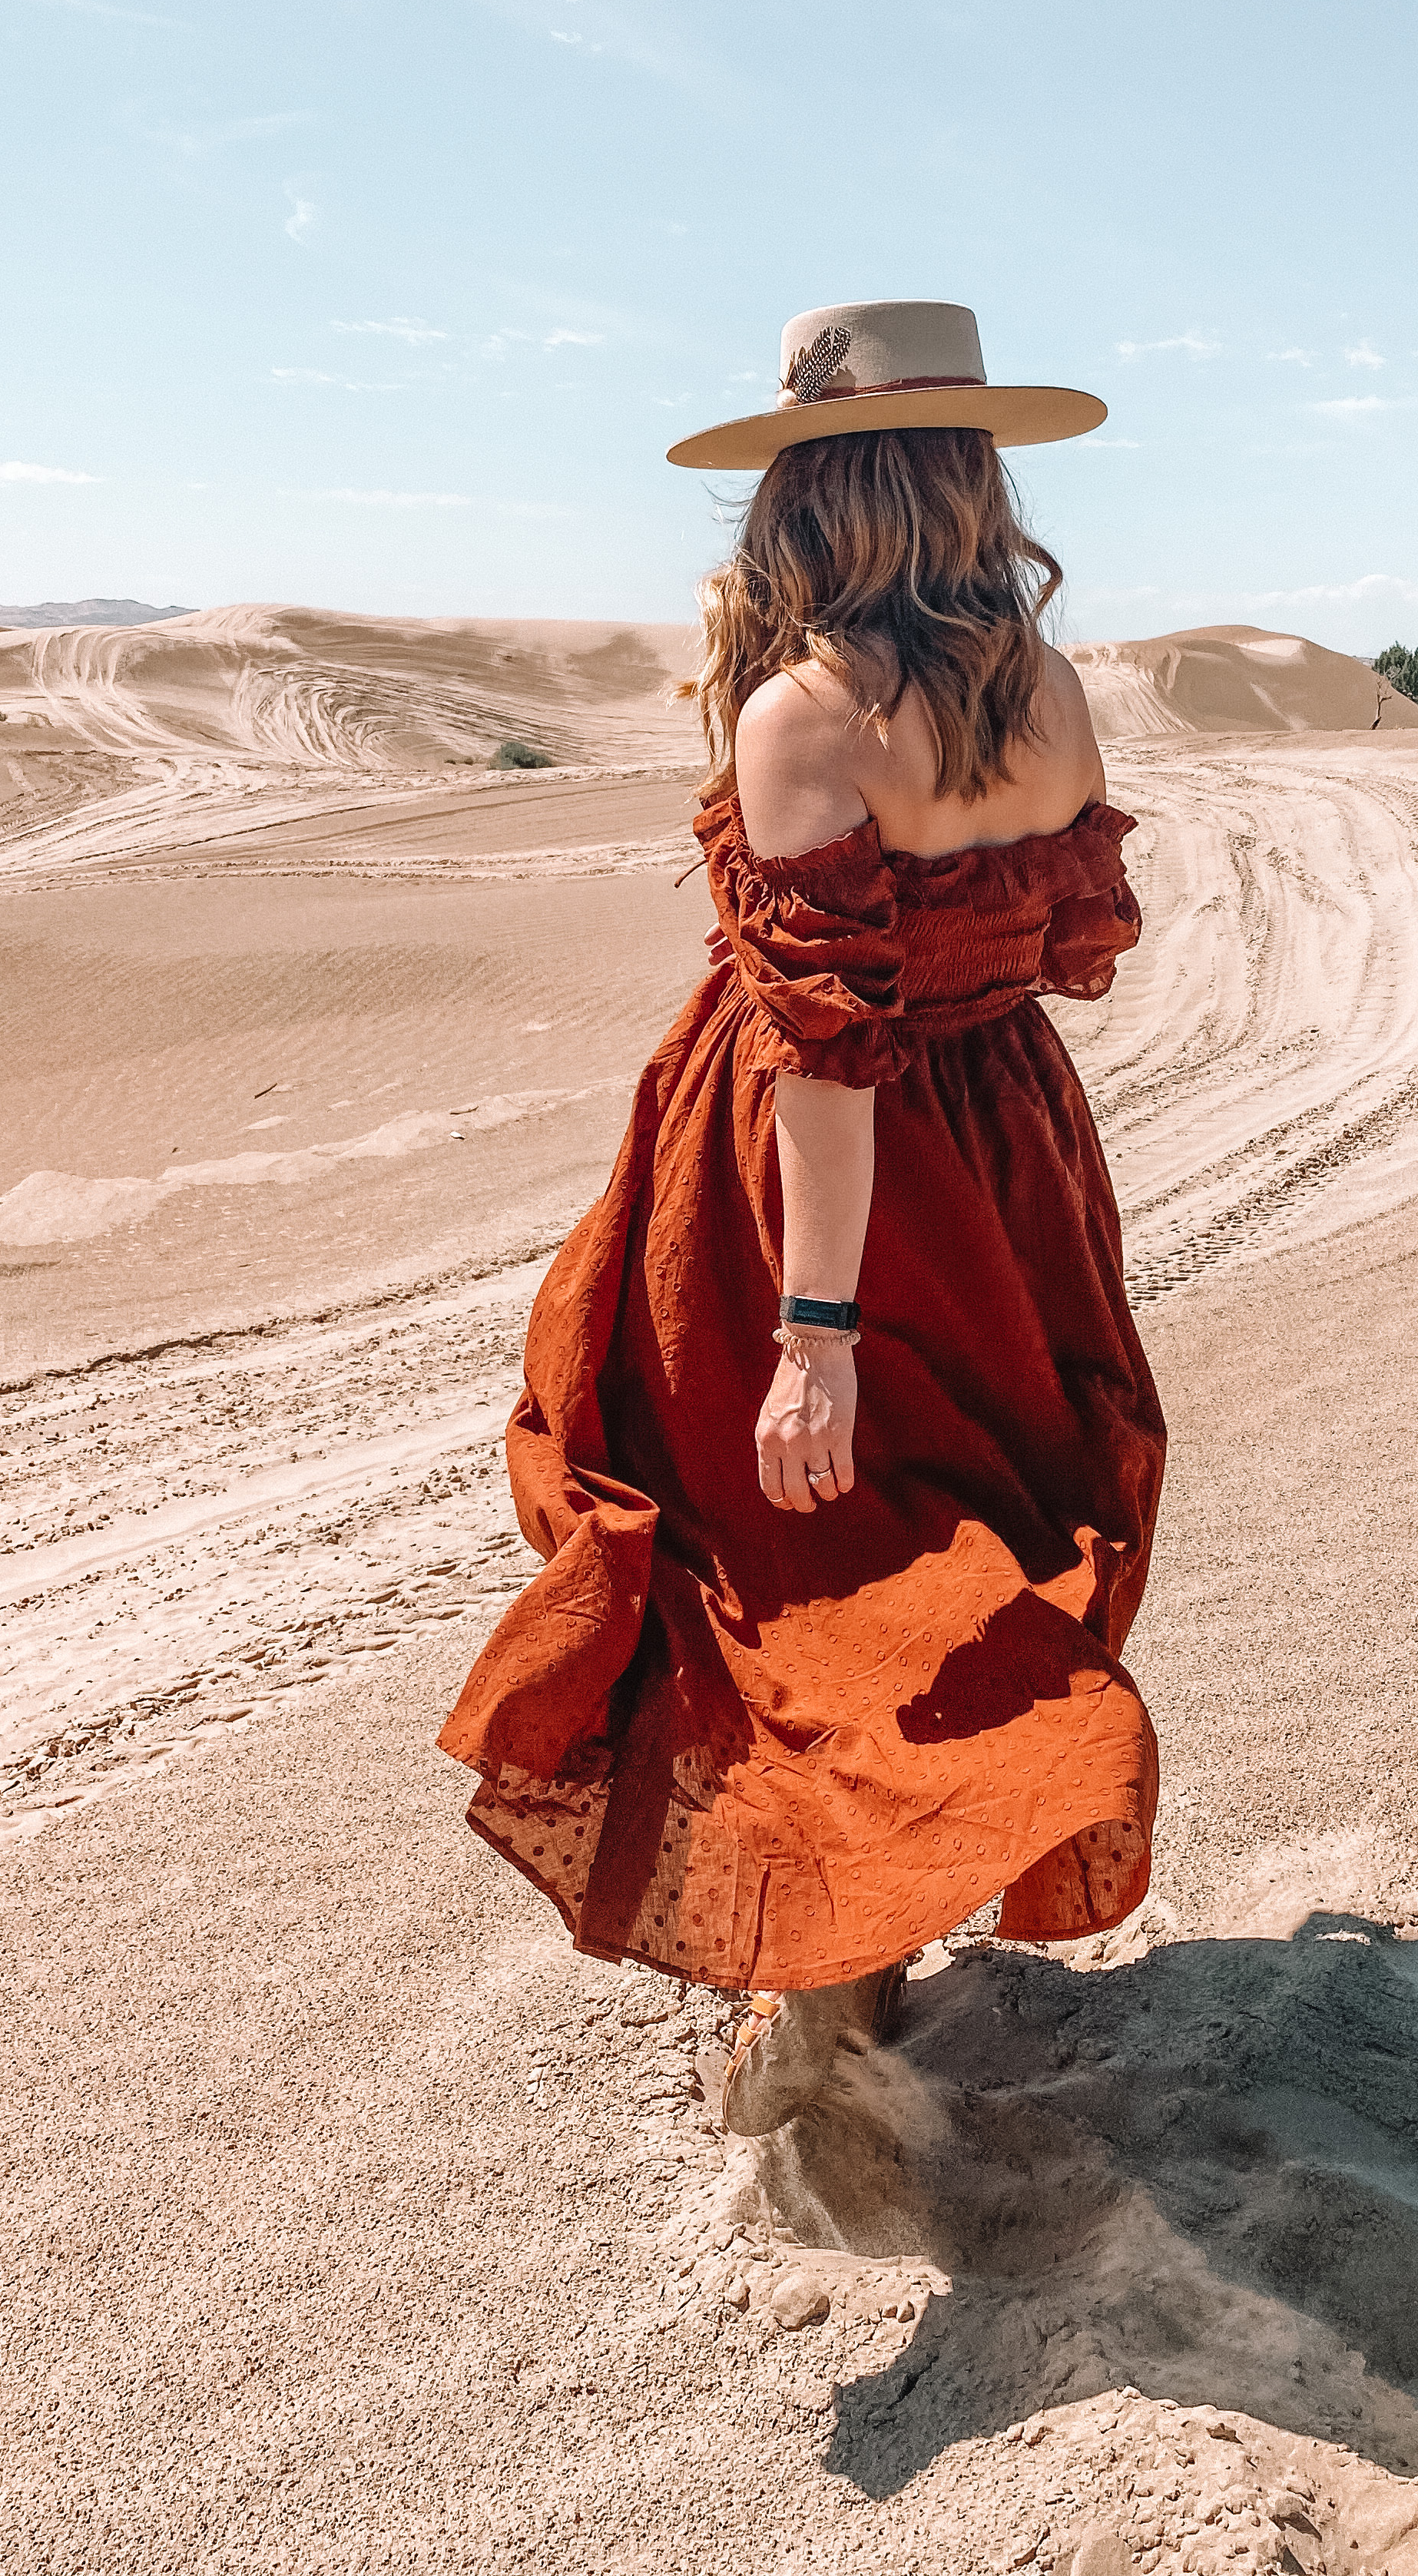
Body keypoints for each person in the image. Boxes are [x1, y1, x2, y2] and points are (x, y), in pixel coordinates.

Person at [439, 300, 1165, 2134]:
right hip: (1010, 1164)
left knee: (785, 1581)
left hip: (815, 1197)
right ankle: (858, 1947)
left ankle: (822, 1990)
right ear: (969, 479)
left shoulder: (808, 715)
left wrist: (814, 1332)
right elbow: (1063, 950)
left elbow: (830, 1059)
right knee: (952, 1550)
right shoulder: (1049, 693)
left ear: (818, 493)